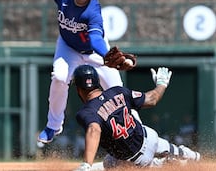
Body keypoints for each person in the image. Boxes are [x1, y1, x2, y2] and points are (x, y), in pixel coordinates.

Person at [9, 0, 128, 143]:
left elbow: (95, 39)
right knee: (59, 77)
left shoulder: (93, 12)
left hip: (94, 52)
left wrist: (106, 56)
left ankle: (135, 128)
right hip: (68, 47)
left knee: (117, 90)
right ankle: (53, 126)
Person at [72, 64, 201, 170]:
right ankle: (185, 153)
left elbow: (94, 129)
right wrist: (161, 84)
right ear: (97, 82)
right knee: (132, 112)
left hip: (135, 161)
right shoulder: (118, 91)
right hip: (149, 136)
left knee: (110, 164)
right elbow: (152, 99)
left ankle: (170, 163)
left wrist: (87, 163)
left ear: (78, 90)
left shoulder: (86, 112)